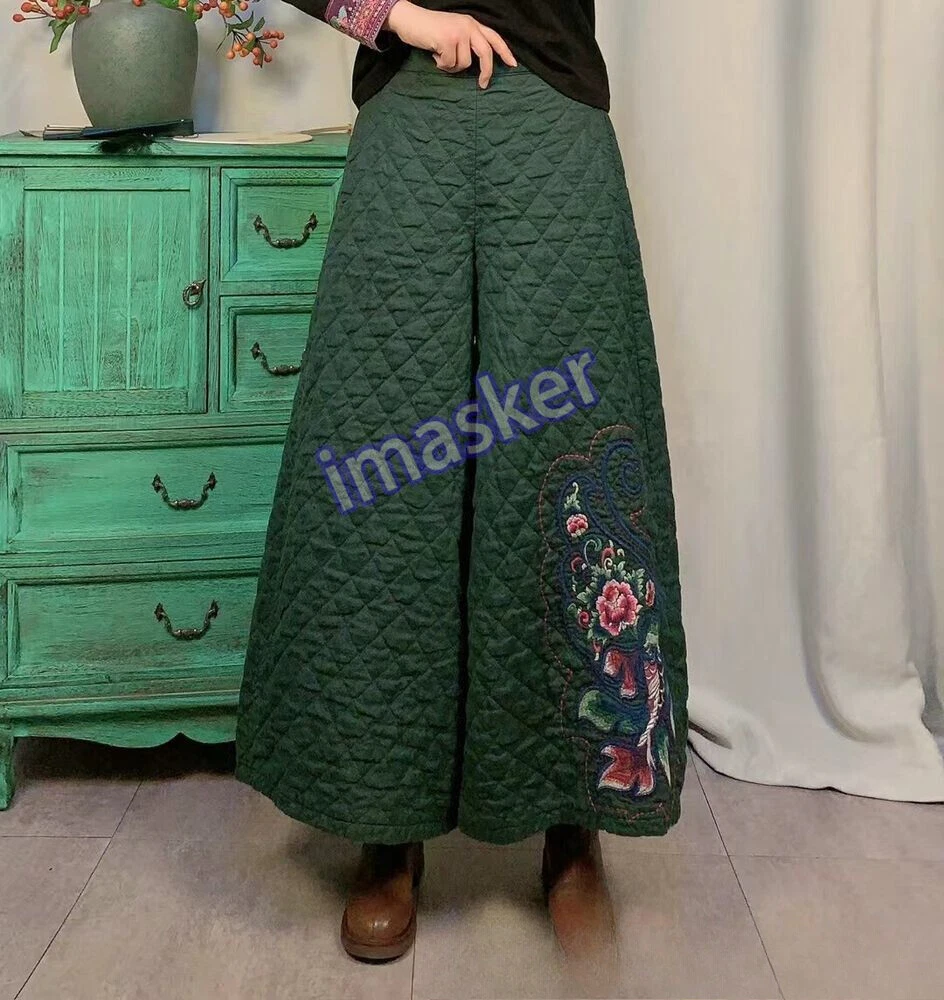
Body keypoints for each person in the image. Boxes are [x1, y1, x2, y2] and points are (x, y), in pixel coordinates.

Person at [234, 0, 690, 964]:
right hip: (410, 112)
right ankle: (383, 823)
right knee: (388, 481)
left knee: (567, 467)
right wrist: (401, 14)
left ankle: (574, 823)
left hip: (554, 108)